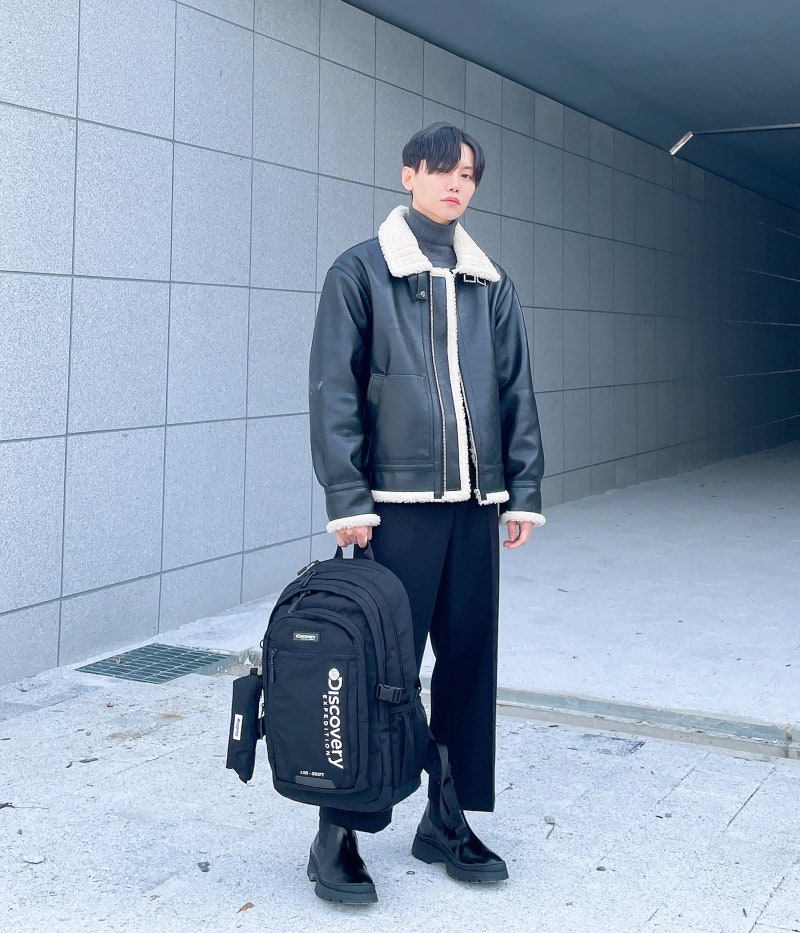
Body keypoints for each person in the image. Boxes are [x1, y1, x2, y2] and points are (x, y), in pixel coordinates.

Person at [307, 122, 545, 904]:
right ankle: (338, 832)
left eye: (468, 174)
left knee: (469, 664)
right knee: (380, 669)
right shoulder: (361, 271)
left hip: (474, 504)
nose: (455, 183)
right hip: (393, 508)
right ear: (409, 174)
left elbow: (514, 389)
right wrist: (348, 497)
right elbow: (334, 391)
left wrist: (521, 488)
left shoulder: (489, 282)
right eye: (442, 169)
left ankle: (447, 817)